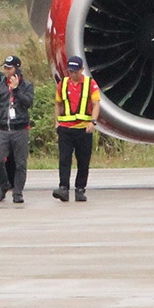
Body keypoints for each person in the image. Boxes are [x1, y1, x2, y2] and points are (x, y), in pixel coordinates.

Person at [0, 56, 36, 205]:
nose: (6, 71)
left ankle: (18, 192)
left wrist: (17, 90)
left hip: (19, 128)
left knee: (20, 163)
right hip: (3, 129)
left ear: (17, 69)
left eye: (9, 68)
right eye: (5, 68)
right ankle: (3, 184)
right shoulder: (0, 86)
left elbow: (28, 103)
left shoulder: (26, 85)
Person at [52, 55, 100, 202]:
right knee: (64, 159)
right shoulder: (63, 84)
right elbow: (58, 104)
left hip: (83, 129)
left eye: (75, 71)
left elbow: (96, 104)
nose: (73, 74)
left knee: (83, 160)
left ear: (82, 70)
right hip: (66, 129)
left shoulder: (90, 84)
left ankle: (80, 189)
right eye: (70, 71)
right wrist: (56, 123)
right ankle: (63, 188)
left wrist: (93, 122)